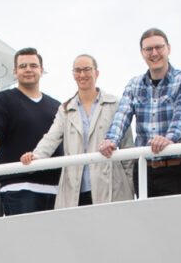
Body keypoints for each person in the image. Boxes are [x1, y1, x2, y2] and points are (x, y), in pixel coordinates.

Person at [113, 29, 181, 200]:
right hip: (143, 170)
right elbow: (121, 116)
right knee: (147, 224)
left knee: (178, 222)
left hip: (176, 168)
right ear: (142, 53)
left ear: (168, 49)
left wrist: (168, 139)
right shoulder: (134, 85)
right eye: (148, 49)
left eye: (159, 47)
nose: (154, 53)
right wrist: (111, 141)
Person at [0, 48, 59, 217]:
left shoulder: (56, 106)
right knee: (25, 241)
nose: (28, 69)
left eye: (33, 65)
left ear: (41, 70)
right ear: (15, 71)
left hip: (56, 187)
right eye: (23, 66)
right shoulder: (4, 100)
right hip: (20, 186)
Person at [36, 53, 131, 207]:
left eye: (87, 69)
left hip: (110, 187)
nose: (82, 74)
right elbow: (51, 138)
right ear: (73, 75)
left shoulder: (115, 104)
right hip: (75, 190)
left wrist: (129, 185)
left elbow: (128, 147)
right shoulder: (66, 109)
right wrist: (35, 157)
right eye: (77, 70)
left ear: (96, 73)